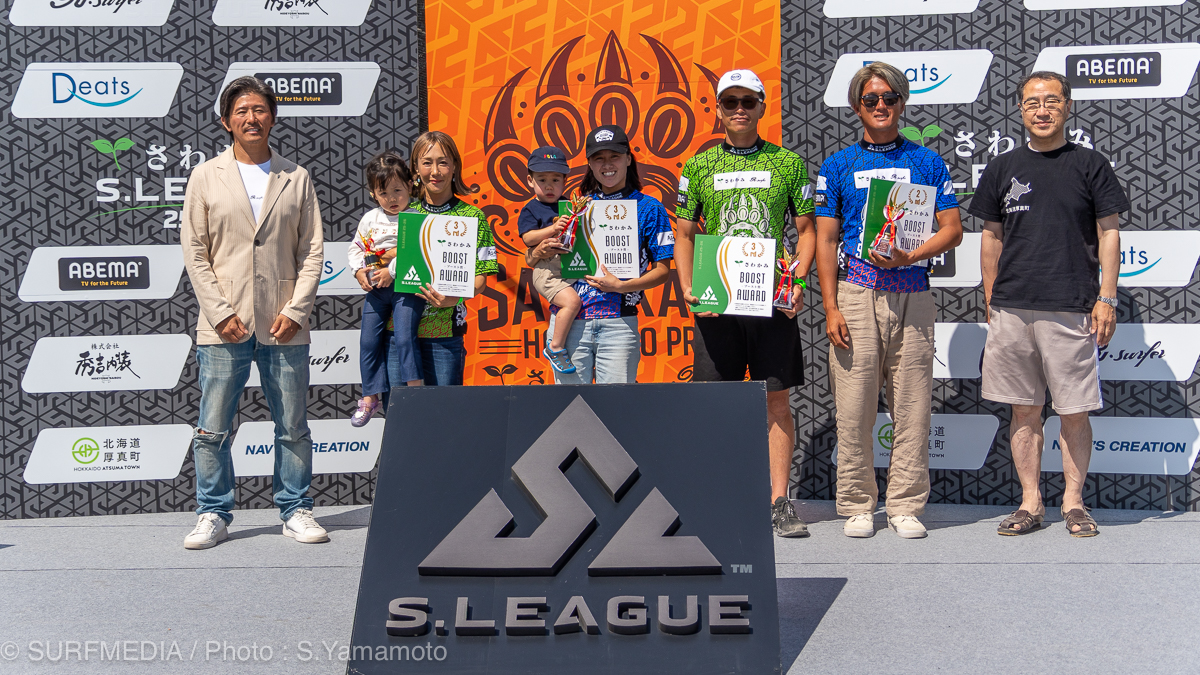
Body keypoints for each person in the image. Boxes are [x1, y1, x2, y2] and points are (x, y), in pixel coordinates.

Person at [972, 71, 1126, 538]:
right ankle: (1030, 502)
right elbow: (991, 238)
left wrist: (1107, 297)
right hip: (1012, 308)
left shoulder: (1090, 164)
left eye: (1052, 101)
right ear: (1021, 109)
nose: (1042, 110)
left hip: (1071, 306)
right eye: (1032, 102)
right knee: (1023, 410)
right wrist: (991, 300)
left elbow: (1109, 233)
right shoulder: (1002, 167)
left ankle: (1074, 503)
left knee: (1074, 411)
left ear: (1067, 106)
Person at [814, 62, 963, 539]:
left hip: (913, 293)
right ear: (857, 106)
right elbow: (825, 240)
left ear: (902, 103)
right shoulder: (837, 165)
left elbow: (953, 230)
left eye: (889, 98)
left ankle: (905, 505)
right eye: (871, 99)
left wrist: (911, 255)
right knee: (854, 406)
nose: (880, 106)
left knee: (913, 406)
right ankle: (857, 504)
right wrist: (831, 306)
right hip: (856, 293)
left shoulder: (928, 161)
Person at [180, 76, 326, 549]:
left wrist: (297, 310)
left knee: (293, 426)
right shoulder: (206, 176)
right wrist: (219, 312)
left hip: (284, 324)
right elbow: (195, 251)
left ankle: (295, 507)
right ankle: (212, 512)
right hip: (224, 325)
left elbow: (312, 251)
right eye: (241, 110)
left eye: (260, 109)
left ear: (273, 117)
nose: (251, 118)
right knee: (212, 428)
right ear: (226, 121)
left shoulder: (295, 176)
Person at [674, 69, 816, 539]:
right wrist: (689, 288)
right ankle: (723, 498)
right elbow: (684, 234)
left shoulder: (787, 163)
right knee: (718, 405)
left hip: (771, 299)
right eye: (730, 101)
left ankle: (779, 502)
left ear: (761, 107)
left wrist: (797, 280)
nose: (739, 109)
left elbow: (807, 231)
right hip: (717, 300)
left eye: (748, 101)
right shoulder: (698, 166)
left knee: (776, 401)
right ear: (717, 109)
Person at [527, 125, 674, 384]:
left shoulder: (650, 207)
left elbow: (663, 271)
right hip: (570, 324)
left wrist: (621, 286)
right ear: (590, 164)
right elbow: (535, 258)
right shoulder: (576, 206)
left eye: (614, 156)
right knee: (570, 406)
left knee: (616, 407)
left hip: (619, 325)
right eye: (599, 158)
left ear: (628, 159)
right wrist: (537, 251)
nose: (607, 164)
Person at [408, 131, 499, 385]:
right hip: (399, 334)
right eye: (427, 162)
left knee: (443, 409)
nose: (435, 171)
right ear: (415, 168)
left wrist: (455, 298)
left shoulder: (473, 217)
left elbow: (481, 281)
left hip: (445, 336)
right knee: (399, 409)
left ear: (455, 166)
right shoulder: (404, 214)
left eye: (443, 162)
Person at [347, 150, 424, 426]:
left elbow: (416, 251)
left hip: (406, 288)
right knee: (368, 341)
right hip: (377, 291)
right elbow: (356, 248)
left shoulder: (416, 217)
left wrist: (391, 272)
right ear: (373, 194)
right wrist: (358, 271)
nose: (392, 198)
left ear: (410, 187)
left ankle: (415, 391)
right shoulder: (370, 219)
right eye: (383, 193)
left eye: (397, 190)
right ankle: (370, 397)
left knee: (404, 338)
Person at [519, 146, 582, 374]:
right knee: (572, 302)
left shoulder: (570, 205)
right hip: (547, 272)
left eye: (555, 180)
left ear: (565, 181)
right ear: (530, 180)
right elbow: (528, 238)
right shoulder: (531, 209)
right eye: (542, 179)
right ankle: (554, 347)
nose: (549, 186)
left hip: (569, 267)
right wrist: (553, 229)